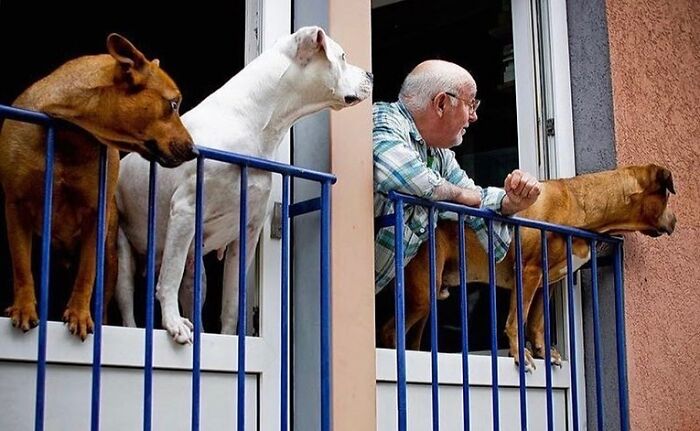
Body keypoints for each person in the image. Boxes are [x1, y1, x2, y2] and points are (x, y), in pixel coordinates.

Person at [374, 60, 541, 292]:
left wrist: (509, 202)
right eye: (470, 104)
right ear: (441, 103)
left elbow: (473, 197)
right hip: (318, 273)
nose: (474, 117)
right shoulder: (384, 118)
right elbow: (405, 174)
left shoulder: (439, 154)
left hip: (356, 289)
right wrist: (460, 194)